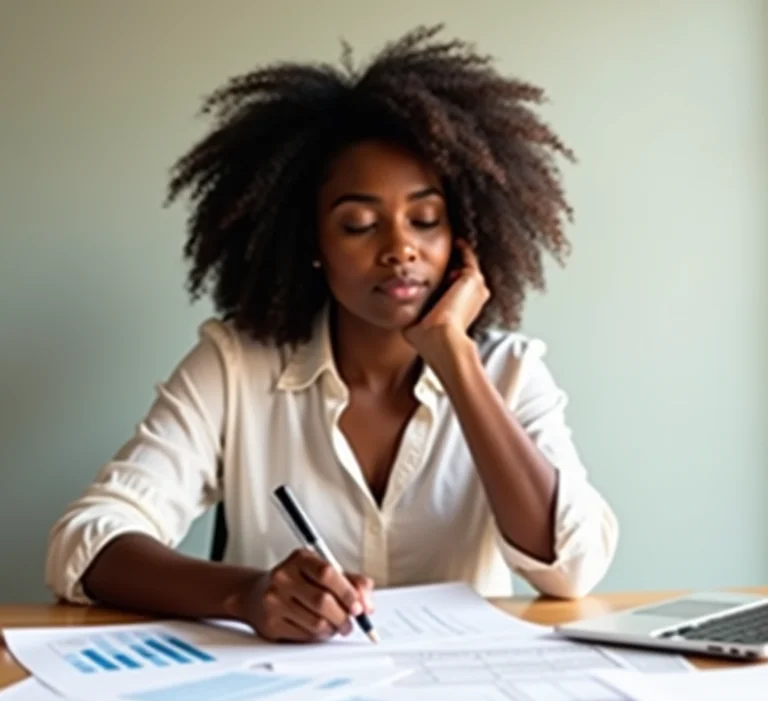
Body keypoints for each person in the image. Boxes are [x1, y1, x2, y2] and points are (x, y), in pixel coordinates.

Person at [45, 25, 618, 643]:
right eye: (359, 225)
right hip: (280, 693)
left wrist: (456, 360)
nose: (400, 249)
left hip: (463, 694)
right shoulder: (236, 367)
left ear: (463, 235)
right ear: (312, 243)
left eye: (426, 219)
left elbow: (574, 567)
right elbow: (85, 542)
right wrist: (247, 594)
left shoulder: (509, 372)